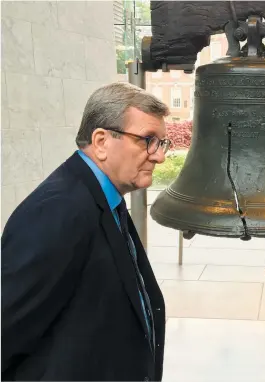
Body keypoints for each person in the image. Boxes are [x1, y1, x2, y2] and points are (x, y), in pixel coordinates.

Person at [1, 82, 171, 381]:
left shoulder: (105, 198)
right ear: (102, 141)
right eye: (147, 140)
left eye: (162, 143)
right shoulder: (58, 210)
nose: (159, 156)